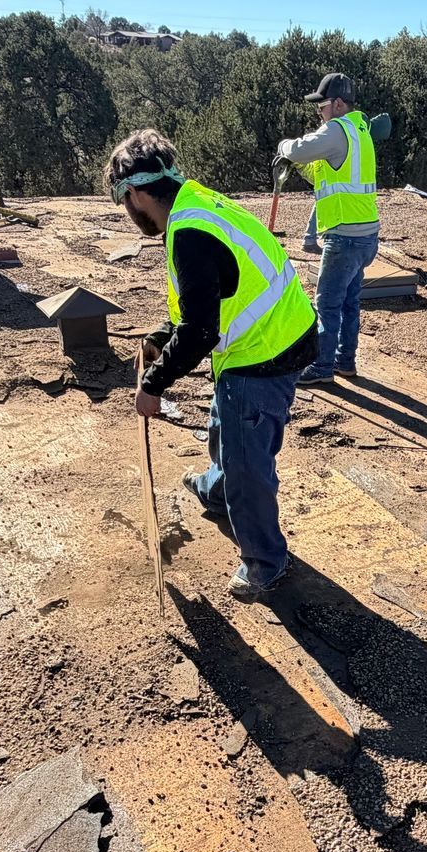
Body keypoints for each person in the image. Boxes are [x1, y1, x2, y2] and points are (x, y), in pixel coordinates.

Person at [110, 129, 318, 600]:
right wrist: (162, 337)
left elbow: (202, 331)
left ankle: (266, 561)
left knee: (248, 461)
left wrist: (154, 383)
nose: (129, 211)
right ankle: (217, 489)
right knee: (227, 421)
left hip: (266, 351)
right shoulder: (196, 202)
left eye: (126, 200)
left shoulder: (188, 233)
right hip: (277, 332)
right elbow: (203, 301)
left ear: (138, 193)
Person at [278, 73, 382, 385]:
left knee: (327, 304)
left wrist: (284, 147)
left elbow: (296, 148)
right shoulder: (358, 130)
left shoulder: (337, 129)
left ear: (337, 104)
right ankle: (344, 362)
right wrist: (298, 166)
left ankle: (322, 367)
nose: (319, 113)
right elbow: (321, 173)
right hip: (365, 235)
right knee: (349, 303)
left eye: (322, 106)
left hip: (345, 237)